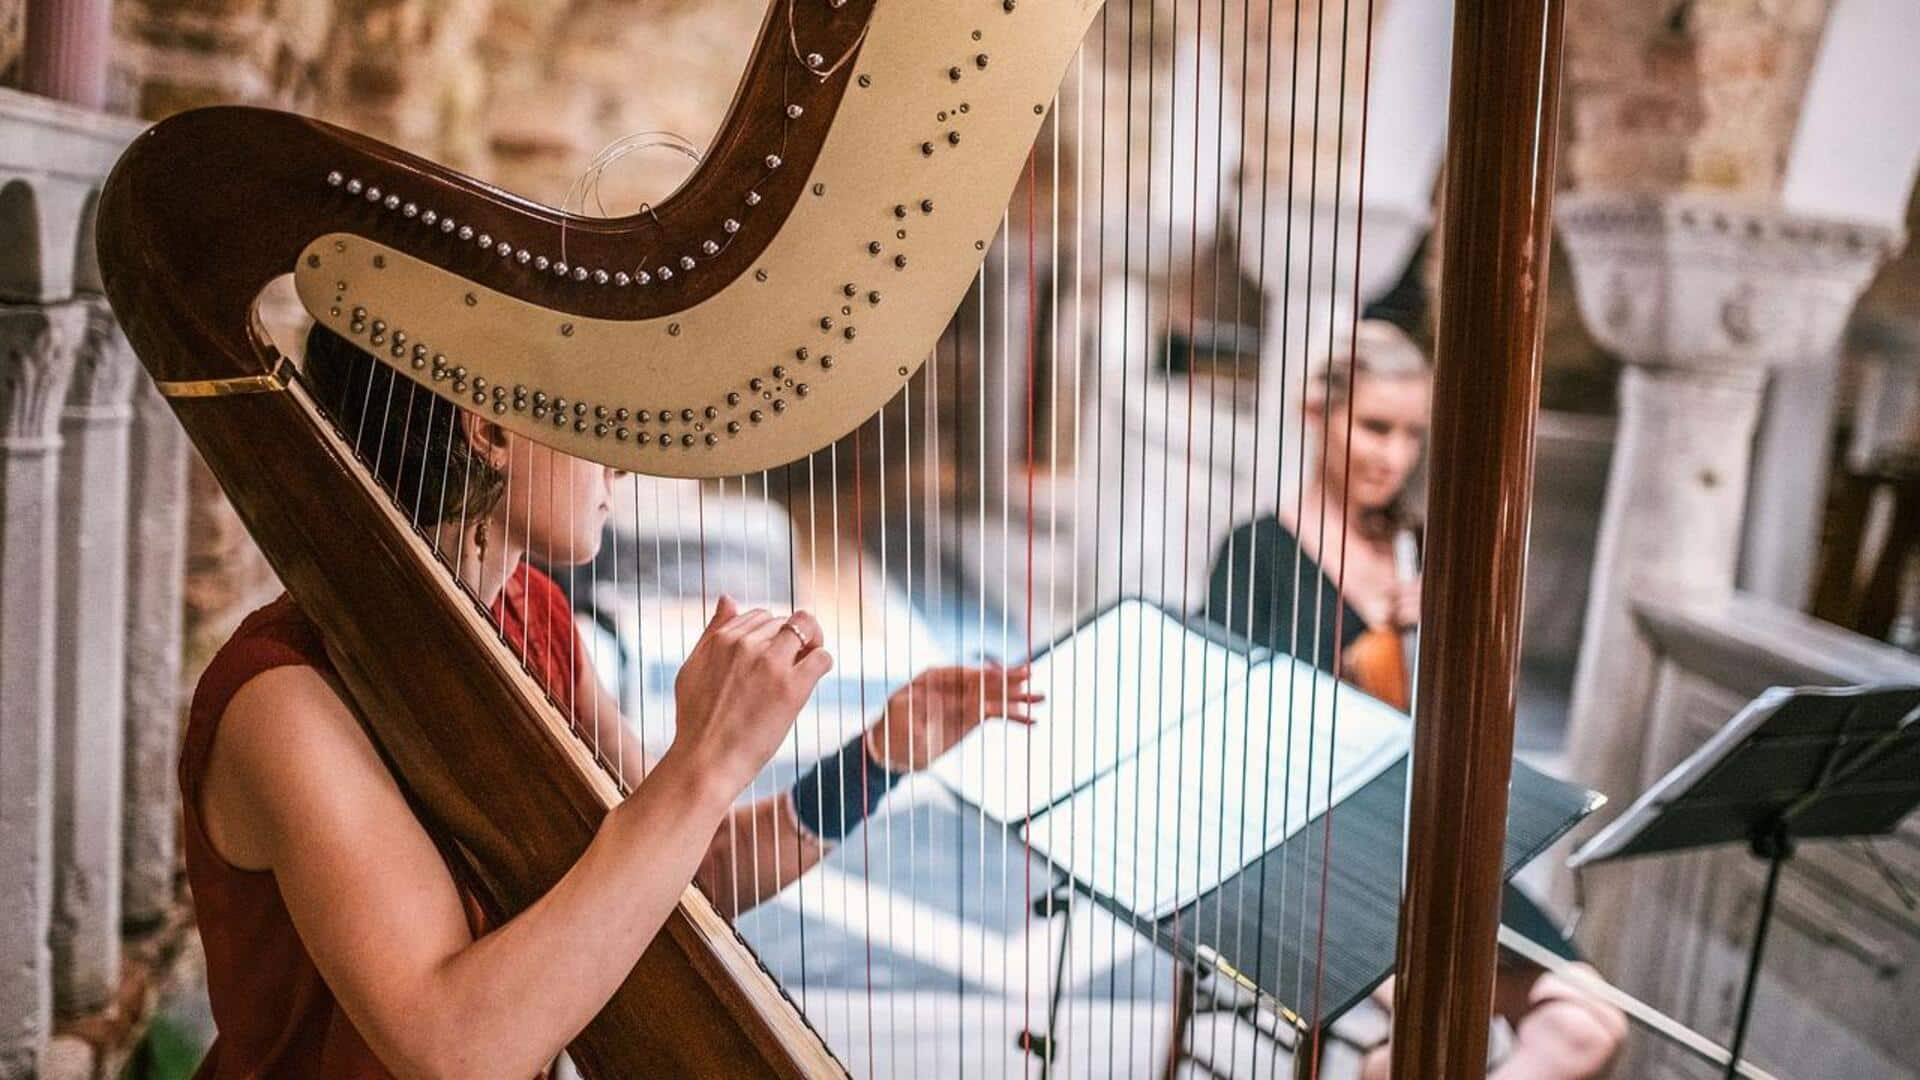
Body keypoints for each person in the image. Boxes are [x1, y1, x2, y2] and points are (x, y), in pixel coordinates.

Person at [180, 323, 1040, 1078]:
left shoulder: (532, 615)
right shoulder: (285, 701)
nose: (622, 459)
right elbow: (455, 1051)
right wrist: (705, 761)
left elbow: (688, 872)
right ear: (489, 430)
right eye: (594, 417)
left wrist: (877, 759)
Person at [1202, 320, 1626, 1078]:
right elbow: (1240, 730)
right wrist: (1365, 648)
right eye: (1373, 427)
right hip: (1308, 851)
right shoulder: (1256, 550)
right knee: (1431, 1048)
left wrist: (1457, 625)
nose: (1394, 456)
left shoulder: (1422, 550)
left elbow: (1468, 720)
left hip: (1428, 844)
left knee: (1590, 1030)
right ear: (1314, 413)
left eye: (1409, 435)